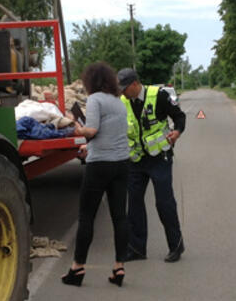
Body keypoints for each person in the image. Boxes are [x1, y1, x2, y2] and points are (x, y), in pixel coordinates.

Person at [62, 62, 130, 287]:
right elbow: (109, 133)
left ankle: (77, 269)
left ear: (91, 81)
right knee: (119, 217)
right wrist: (89, 146)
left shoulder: (95, 100)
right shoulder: (119, 102)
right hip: (121, 164)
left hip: (99, 165)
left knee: (87, 216)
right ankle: (119, 267)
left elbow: (91, 130)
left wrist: (76, 127)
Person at [117, 68, 186, 263]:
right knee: (135, 204)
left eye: (124, 88)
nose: (122, 93)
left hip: (159, 159)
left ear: (134, 85)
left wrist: (177, 133)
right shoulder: (123, 102)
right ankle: (137, 249)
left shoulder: (159, 96)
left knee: (164, 203)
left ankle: (176, 245)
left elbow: (180, 117)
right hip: (137, 160)